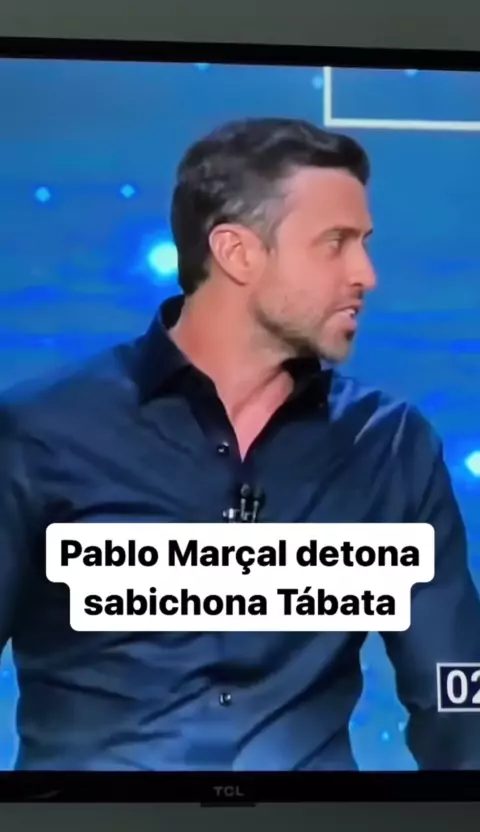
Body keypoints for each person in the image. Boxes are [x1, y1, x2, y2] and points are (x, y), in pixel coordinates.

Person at [1, 117, 480, 771]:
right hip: (91, 821)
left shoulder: (388, 446)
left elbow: (458, 700)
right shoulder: (42, 432)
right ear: (237, 253)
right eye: (335, 244)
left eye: (364, 244)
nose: (365, 274)